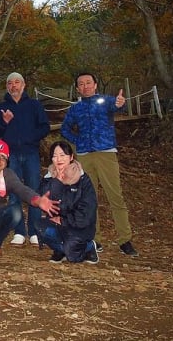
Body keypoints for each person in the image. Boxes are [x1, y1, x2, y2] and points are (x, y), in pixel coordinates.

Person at [61, 72, 139, 257]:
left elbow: (117, 105)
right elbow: (65, 128)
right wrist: (77, 141)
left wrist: (120, 103)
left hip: (106, 153)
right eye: (81, 84)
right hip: (84, 156)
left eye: (88, 82)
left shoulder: (105, 101)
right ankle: (94, 239)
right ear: (77, 88)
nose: (85, 86)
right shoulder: (75, 109)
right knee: (88, 199)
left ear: (95, 85)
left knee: (115, 196)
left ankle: (125, 239)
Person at [0, 72, 50, 247]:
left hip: (31, 153)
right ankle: (19, 231)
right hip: (10, 156)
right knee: (14, 192)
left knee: (34, 191)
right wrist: (4, 122)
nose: (13, 86)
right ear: (7, 87)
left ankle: (35, 231)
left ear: (23, 85)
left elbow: (45, 127)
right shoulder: (1, 107)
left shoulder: (34, 105)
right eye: (10, 83)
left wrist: (30, 137)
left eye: (17, 82)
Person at [36, 141, 99, 264]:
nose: (58, 159)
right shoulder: (50, 176)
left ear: (71, 157)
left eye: (63, 155)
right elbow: (43, 198)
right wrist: (57, 181)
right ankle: (60, 250)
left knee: (72, 254)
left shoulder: (83, 179)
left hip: (78, 226)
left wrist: (64, 220)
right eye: (55, 156)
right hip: (57, 224)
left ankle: (89, 247)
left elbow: (87, 211)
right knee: (40, 227)